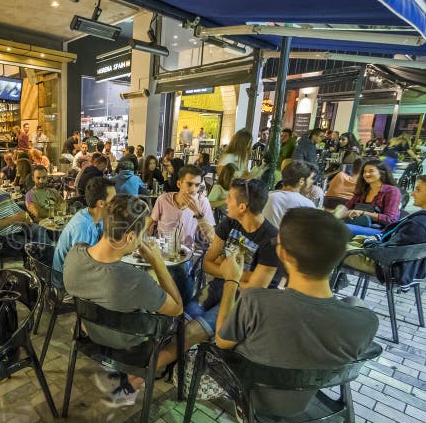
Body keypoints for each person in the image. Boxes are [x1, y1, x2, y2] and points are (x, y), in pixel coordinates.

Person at [213, 209, 379, 416]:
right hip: (311, 404)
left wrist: (231, 281)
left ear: (282, 254)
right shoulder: (365, 322)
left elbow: (222, 341)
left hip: (250, 401)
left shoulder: (255, 302)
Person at [63, 196, 183, 406]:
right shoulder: (135, 281)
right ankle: (137, 376)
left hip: (92, 337)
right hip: (130, 350)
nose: (142, 239)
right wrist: (157, 262)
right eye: (141, 234)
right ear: (129, 237)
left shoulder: (73, 256)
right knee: (188, 332)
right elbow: (177, 309)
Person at [342, 173, 426, 285]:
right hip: (408, 267)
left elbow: (384, 252)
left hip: (386, 267)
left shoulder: (419, 224)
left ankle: (329, 293)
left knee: (329, 248)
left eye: (418, 189)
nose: (412, 194)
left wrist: (369, 242)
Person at [200, 179, 282, 331]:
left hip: (244, 302)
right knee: (183, 317)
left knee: (192, 330)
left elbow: (252, 291)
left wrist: (224, 267)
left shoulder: (272, 241)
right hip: (218, 287)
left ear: (242, 207)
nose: (226, 201)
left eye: (230, 198)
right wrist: (241, 276)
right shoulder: (229, 222)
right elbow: (207, 263)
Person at [150, 164, 215, 305]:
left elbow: (211, 237)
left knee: (180, 273)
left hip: (186, 257)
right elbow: (150, 224)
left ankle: (180, 310)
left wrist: (197, 212)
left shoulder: (202, 202)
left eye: (197, 185)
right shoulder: (163, 199)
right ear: (179, 183)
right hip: (161, 254)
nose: (193, 190)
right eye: (189, 184)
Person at [52, 177, 114, 287]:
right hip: (67, 287)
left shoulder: (93, 215)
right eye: (113, 199)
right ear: (101, 203)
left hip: (81, 276)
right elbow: (83, 270)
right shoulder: (83, 227)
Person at [0, 165, 50, 245]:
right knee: (34, 246)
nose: (1, 182)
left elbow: (19, 211)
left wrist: (26, 218)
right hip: (5, 237)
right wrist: (12, 219)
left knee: (41, 231)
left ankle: (51, 255)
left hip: (22, 227)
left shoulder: (3, 194)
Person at [343, 159, 401, 235]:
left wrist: (363, 213)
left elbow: (391, 219)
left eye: (371, 171)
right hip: (357, 225)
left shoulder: (392, 191)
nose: (366, 174)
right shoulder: (363, 190)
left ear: (381, 173)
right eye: (364, 171)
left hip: (381, 231)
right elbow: (346, 208)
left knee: (340, 227)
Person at [262, 161, 317, 228]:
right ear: (301, 181)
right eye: (311, 179)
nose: (312, 182)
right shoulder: (307, 205)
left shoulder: (267, 196)